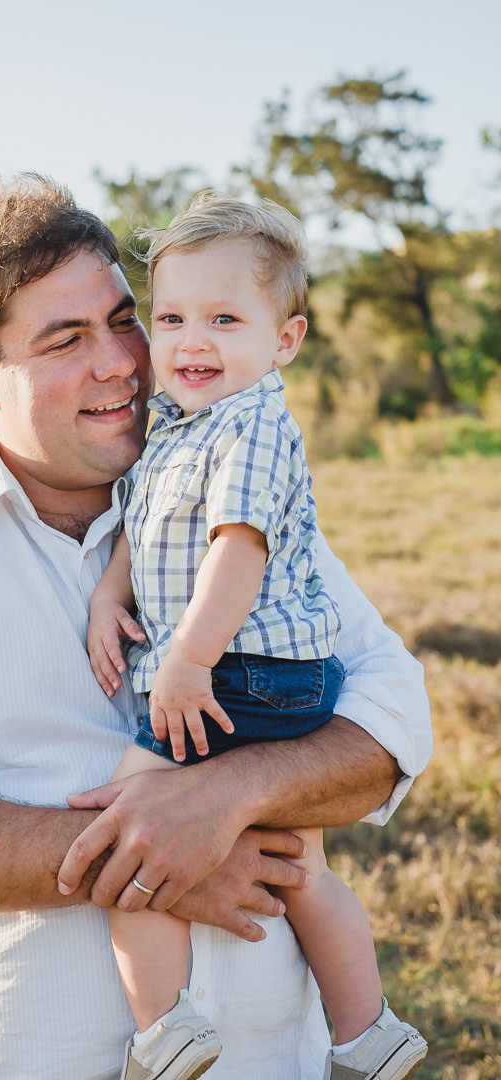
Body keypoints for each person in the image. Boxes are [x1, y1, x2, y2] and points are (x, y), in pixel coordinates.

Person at [0, 174, 432, 1080]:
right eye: (65, 340)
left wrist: (226, 797)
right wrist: (152, 852)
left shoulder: (236, 509)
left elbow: (394, 724)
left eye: (127, 320)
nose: (123, 363)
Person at [61, 193, 427, 1080]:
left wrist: (186, 659)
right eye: (173, 317)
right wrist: (113, 593)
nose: (192, 342)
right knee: (302, 872)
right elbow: (146, 534)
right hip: (270, 675)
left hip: (243, 672)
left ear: (286, 339)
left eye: (225, 319)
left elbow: (238, 551)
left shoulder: (252, 424)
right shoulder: (178, 431)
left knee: (131, 833)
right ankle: (368, 1032)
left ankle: (165, 1030)